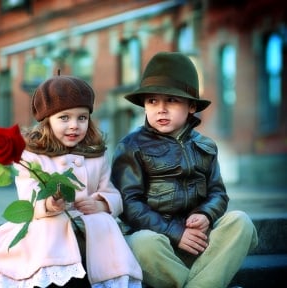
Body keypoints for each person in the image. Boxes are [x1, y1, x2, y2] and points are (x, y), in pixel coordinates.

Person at [0, 75, 142, 288]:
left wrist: (101, 203)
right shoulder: (32, 155)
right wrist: (48, 204)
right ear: (47, 120)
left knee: (104, 222)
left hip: (89, 225)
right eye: (64, 118)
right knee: (51, 225)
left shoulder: (95, 154)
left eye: (82, 118)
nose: (74, 125)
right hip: (50, 225)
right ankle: (57, 278)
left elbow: (111, 191)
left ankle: (105, 278)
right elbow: (29, 196)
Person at [110, 52, 258, 288]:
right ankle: (209, 283)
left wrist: (207, 214)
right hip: (159, 245)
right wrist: (175, 232)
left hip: (200, 243)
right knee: (141, 243)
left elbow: (218, 193)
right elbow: (129, 204)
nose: (161, 109)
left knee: (241, 222)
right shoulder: (131, 146)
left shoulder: (205, 146)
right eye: (152, 101)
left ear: (191, 106)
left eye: (171, 100)